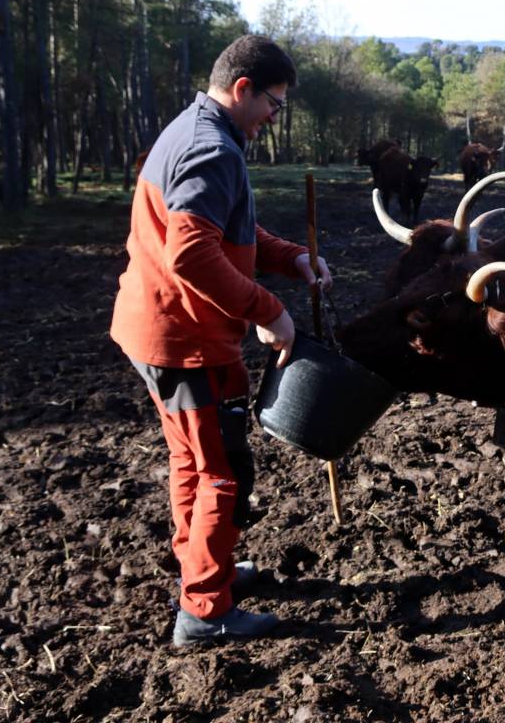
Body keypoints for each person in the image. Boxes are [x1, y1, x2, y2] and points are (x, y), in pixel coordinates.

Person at [110, 35, 332, 646]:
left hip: (159, 330)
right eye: (275, 104)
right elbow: (192, 254)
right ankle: (205, 611)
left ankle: (206, 570)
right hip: (186, 341)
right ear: (243, 89)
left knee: (193, 460)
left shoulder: (193, 130)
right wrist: (268, 310)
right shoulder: (214, 148)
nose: (273, 117)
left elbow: (224, 226)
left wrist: (289, 257)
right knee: (222, 473)